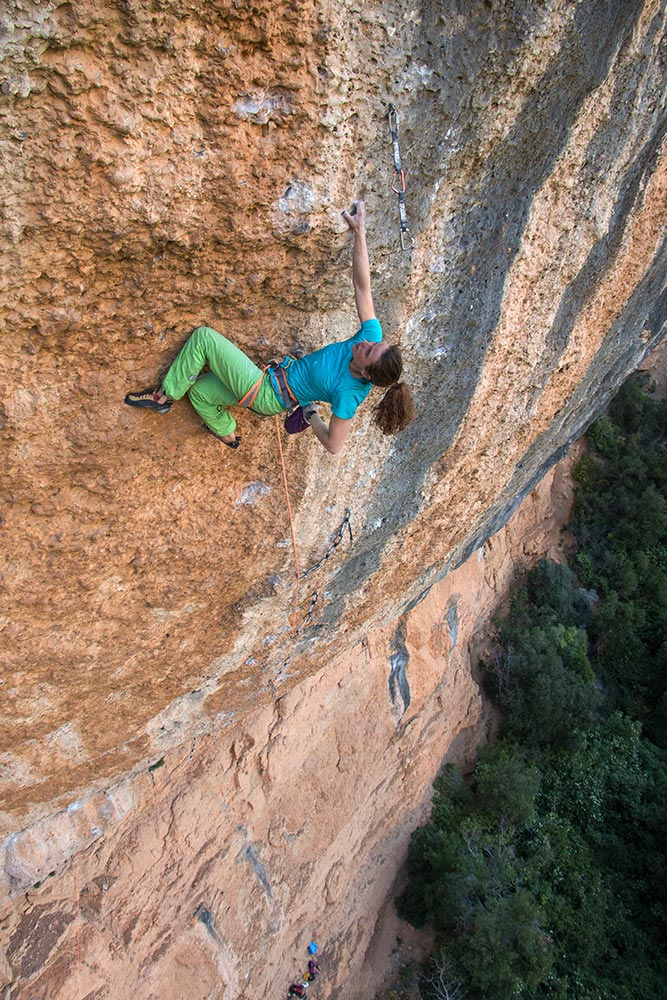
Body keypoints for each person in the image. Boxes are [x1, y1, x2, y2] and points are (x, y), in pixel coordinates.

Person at [125, 201, 415, 454]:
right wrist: (360, 233)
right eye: (374, 343)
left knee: (204, 339)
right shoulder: (370, 338)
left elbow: (334, 445)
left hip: (267, 392)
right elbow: (362, 288)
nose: (366, 343)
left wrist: (311, 413)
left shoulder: (348, 395)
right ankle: (227, 432)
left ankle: (163, 396)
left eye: (369, 350)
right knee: (200, 391)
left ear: (365, 372)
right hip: (272, 381)